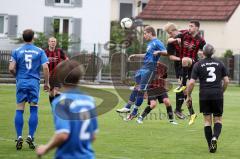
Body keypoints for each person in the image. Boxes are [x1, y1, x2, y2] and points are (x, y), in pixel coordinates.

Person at [36, 60, 98, 159]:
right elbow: (93, 135)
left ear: (60, 78)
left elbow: (63, 134)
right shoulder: (89, 100)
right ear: (79, 77)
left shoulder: (61, 102)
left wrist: (46, 148)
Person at [9, 29, 50, 150]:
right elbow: (46, 68)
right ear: (33, 38)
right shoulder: (40, 51)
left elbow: (11, 68)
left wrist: (18, 76)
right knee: (33, 109)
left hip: (21, 82)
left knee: (19, 108)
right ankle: (31, 136)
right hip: (33, 83)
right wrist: (46, 83)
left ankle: (19, 136)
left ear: (23, 38)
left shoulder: (17, 51)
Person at [116, 26, 167, 120]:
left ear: (150, 33)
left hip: (151, 68)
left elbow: (166, 52)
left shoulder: (157, 42)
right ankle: (128, 108)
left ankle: (133, 111)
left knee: (141, 89)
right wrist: (136, 55)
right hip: (144, 67)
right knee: (137, 88)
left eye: (145, 33)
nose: (144, 35)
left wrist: (159, 51)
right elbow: (147, 55)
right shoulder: (150, 43)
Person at [186, 44, 229, 153]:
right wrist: (222, 91)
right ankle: (215, 137)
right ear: (213, 52)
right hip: (217, 94)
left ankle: (210, 145)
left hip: (204, 94)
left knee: (207, 121)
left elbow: (191, 83)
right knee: (218, 119)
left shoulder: (198, 64)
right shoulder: (220, 63)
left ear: (203, 53)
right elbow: (226, 81)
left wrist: (188, 95)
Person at [168, 20, 206, 125]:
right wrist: (173, 40)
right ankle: (192, 113)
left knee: (185, 59)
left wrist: (203, 55)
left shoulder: (201, 40)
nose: (189, 28)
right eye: (189, 26)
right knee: (186, 94)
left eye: (191, 26)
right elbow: (171, 39)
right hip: (183, 65)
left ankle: (183, 85)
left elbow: (205, 51)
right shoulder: (183, 34)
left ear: (197, 28)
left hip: (193, 63)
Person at [163, 22, 187, 119]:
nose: (169, 35)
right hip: (180, 66)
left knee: (186, 88)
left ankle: (181, 109)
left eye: (169, 32)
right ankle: (178, 109)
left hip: (190, 63)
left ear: (173, 30)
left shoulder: (185, 34)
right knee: (182, 86)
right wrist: (181, 59)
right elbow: (171, 57)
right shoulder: (171, 42)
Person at [45, 37, 68, 105]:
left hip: (57, 74)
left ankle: (57, 107)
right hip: (48, 75)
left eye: (54, 41)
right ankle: (53, 106)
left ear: (56, 43)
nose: (53, 43)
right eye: (51, 41)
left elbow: (66, 59)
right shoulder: (44, 52)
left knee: (57, 90)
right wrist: (48, 59)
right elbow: (40, 62)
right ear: (48, 42)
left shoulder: (59, 51)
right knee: (51, 93)